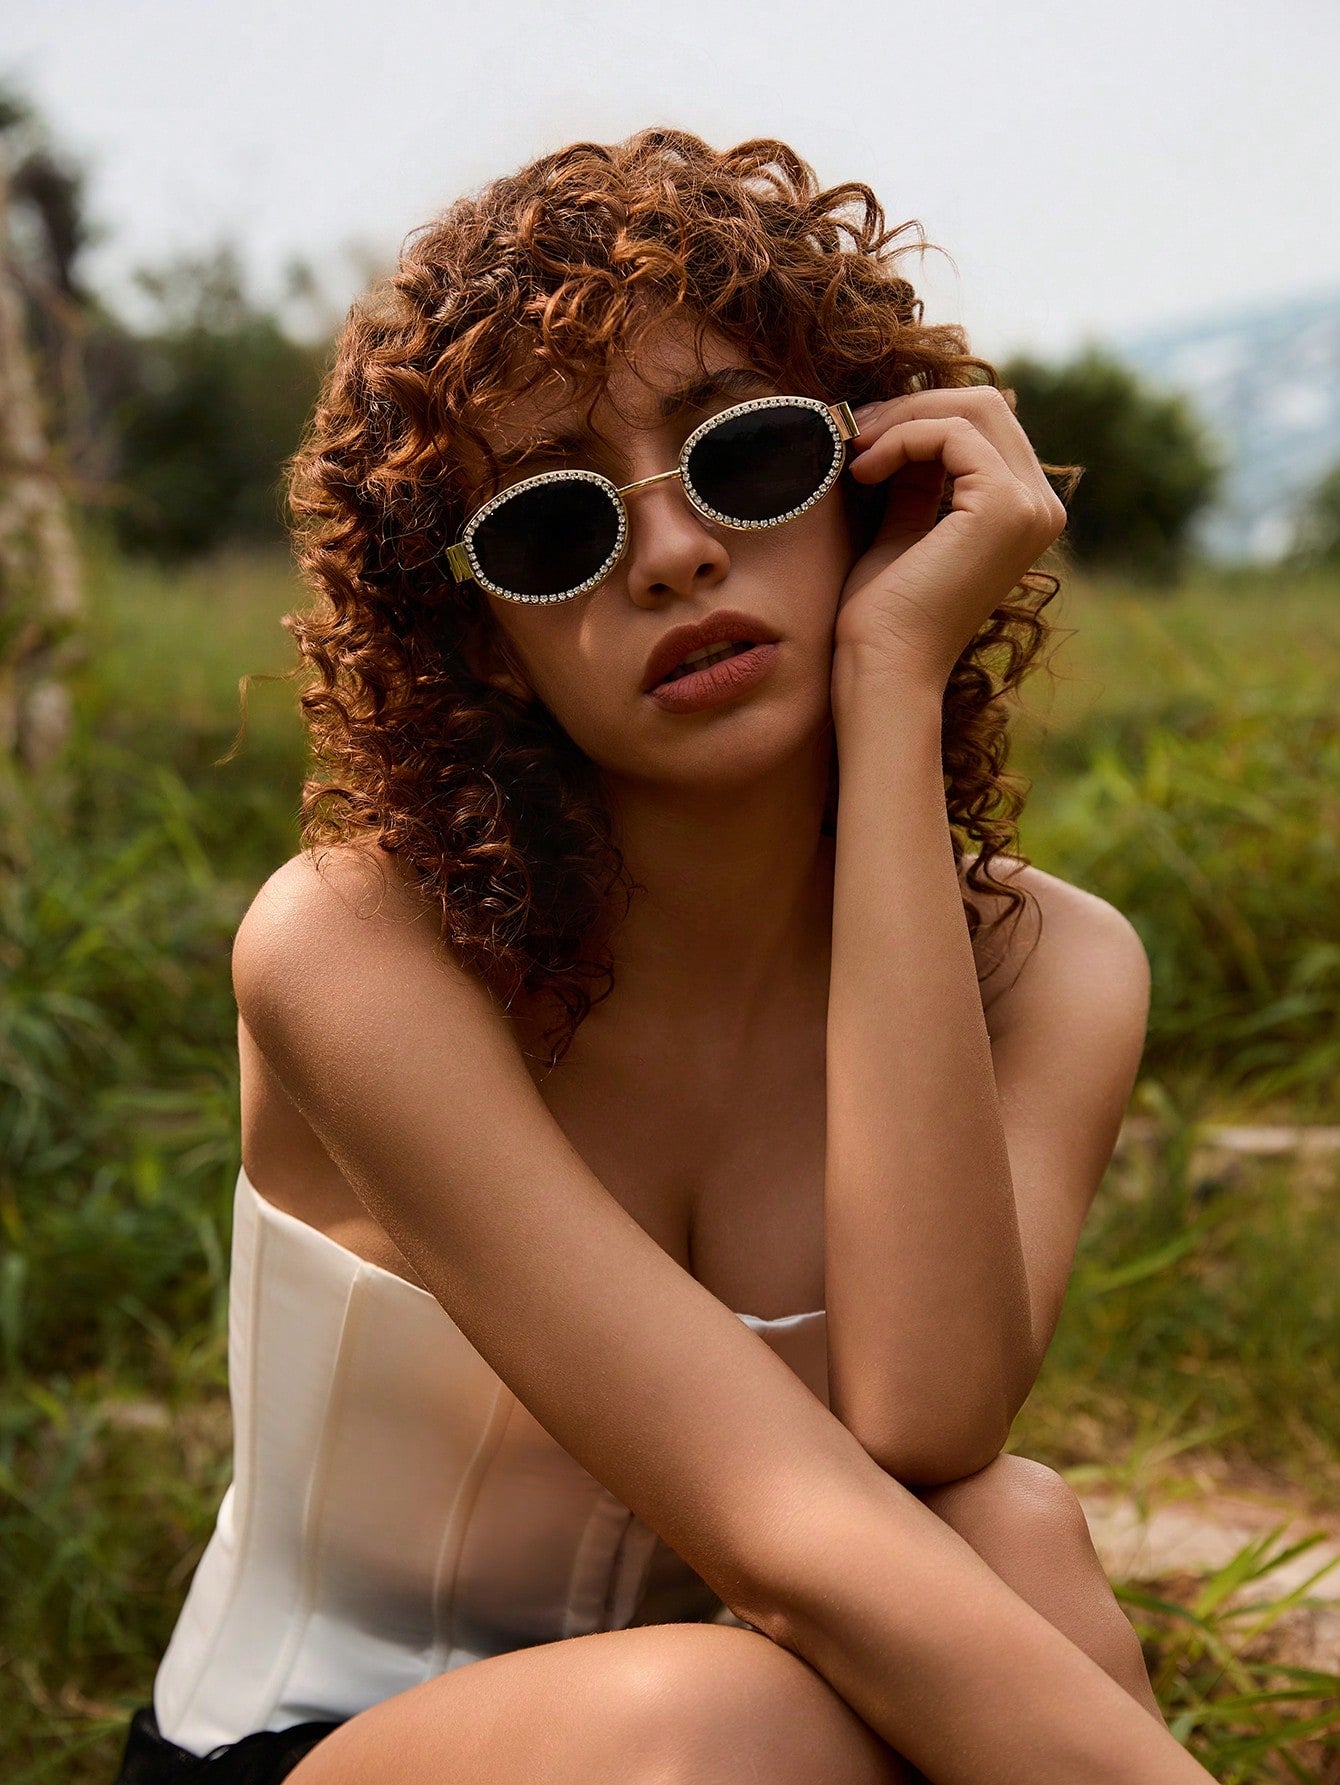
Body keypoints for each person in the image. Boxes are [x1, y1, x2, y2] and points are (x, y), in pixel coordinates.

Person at [112, 128, 1218, 1784]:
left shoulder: (1052, 966)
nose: (677, 553)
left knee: (1014, 1533)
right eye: (555, 530)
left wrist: (894, 674)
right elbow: (788, 1537)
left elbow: (923, 1422)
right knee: (733, 1712)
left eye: (751, 459)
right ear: (481, 636)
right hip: (321, 1741)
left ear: (882, 483)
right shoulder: (356, 944)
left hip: (751, 1702)